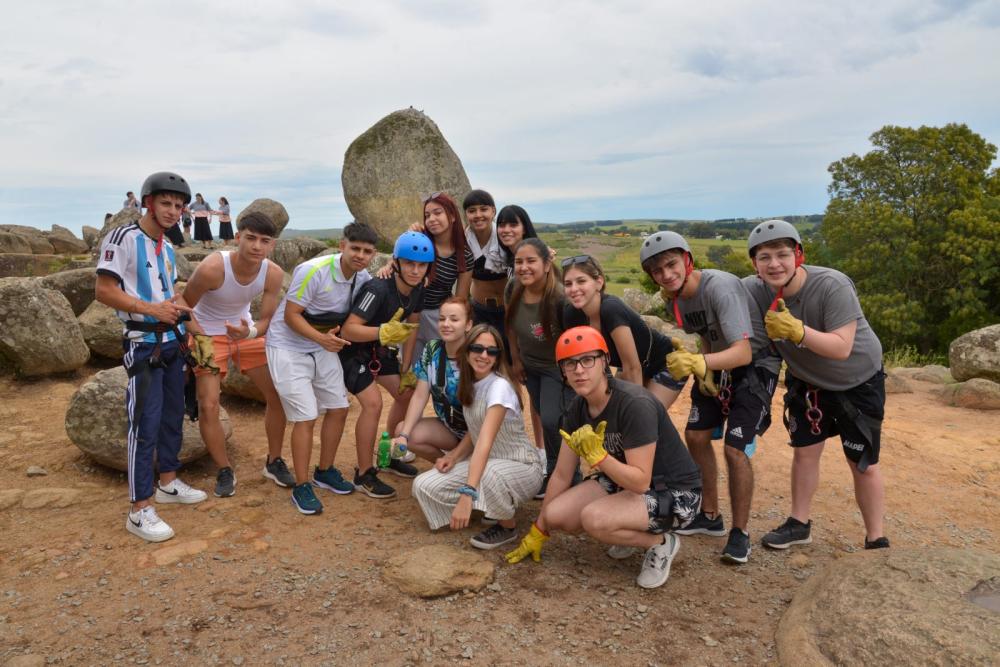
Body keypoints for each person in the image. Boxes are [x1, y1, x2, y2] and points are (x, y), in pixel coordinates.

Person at [505, 327, 702, 589]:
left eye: (588, 359)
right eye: (570, 363)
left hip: (675, 492)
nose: (579, 370)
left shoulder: (634, 404)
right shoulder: (578, 407)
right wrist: (539, 530)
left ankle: (661, 543)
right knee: (556, 514)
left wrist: (599, 458)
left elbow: (641, 482)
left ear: (604, 361)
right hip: (622, 482)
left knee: (594, 519)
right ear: (562, 371)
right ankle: (628, 529)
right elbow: (562, 474)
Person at [743, 220, 889, 551]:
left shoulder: (831, 285)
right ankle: (799, 523)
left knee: (862, 462)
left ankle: (876, 538)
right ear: (754, 263)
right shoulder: (756, 289)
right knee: (805, 453)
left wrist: (796, 331)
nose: (774, 264)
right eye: (764, 257)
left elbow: (841, 347)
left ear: (799, 255)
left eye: (782, 254)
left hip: (857, 380)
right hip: (808, 383)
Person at [640, 230, 780, 564]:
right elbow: (706, 334)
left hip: (756, 365)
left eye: (672, 265)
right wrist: (705, 370)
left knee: (735, 449)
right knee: (696, 435)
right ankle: (711, 515)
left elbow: (744, 352)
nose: (667, 275)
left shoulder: (719, 286)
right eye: (658, 271)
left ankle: (740, 533)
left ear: (687, 260)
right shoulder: (678, 299)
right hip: (716, 364)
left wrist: (700, 363)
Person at [96, 171, 205, 542]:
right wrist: (150, 309)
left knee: (174, 415)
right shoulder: (124, 238)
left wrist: (196, 331)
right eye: (166, 203)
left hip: (173, 341)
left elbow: (171, 294)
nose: (173, 211)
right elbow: (104, 290)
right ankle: (139, 508)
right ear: (148, 202)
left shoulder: (167, 247)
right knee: (144, 423)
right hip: (142, 342)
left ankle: (168, 483)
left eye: (178, 205)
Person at [264, 222, 379, 514]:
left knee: (339, 408)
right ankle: (302, 485)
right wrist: (322, 340)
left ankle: (324, 470)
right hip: (288, 345)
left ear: (373, 255)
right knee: (306, 416)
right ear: (342, 246)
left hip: (323, 343)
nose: (360, 255)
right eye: (355, 248)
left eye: (367, 251)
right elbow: (291, 315)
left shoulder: (363, 277)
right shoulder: (313, 271)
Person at [177, 211, 288, 497]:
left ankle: (274, 462)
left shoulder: (272, 273)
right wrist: (200, 340)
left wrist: (248, 333)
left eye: (264, 241)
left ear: (272, 245)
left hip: (244, 332)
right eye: (250, 238)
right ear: (237, 237)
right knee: (209, 404)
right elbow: (183, 307)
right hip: (206, 333)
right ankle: (224, 469)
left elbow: (266, 320)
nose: (256, 247)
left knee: (278, 396)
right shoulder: (213, 267)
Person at [411, 324, 543, 549]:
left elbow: (485, 441)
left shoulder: (499, 386)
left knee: (489, 473)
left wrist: (467, 492)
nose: (484, 355)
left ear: (498, 356)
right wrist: (453, 456)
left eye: (492, 351)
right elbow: (475, 432)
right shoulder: (469, 383)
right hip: (489, 464)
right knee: (423, 484)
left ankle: (507, 526)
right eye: (478, 348)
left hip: (520, 465)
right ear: (467, 349)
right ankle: (487, 502)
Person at [340, 231, 431, 498]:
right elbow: (348, 330)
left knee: (407, 393)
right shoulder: (377, 288)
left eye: (422, 265)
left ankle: (391, 454)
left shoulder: (418, 289)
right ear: (397, 263)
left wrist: (406, 367)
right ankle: (363, 473)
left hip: (381, 353)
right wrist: (382, 332)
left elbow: (412, 326)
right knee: (373, 403)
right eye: (410, 263)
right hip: (353, 353)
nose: (415, 270)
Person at [561, 254, 686, 412]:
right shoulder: (572, 314)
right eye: (568, 283)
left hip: (666, 362)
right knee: (615, 416)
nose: (573, 289)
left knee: (647, 415)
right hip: (631, 363)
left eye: (581, 281)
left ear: (599, 282)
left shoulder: (611, 309)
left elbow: (632, 368)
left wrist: (635, 412)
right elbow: (592, 362)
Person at [505, 238, 576, 496]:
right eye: (519, 262)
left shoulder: (559, 298)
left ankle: (567, 476)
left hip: (556, 370)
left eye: (531, 261)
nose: (524, 267)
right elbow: (510, 324)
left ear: (547, 264)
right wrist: (515, 358)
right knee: (546, 419)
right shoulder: (513, 287)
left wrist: (571, 374)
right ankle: (556, 472)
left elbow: (574, 340)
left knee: (552, 419)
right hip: (530, 365)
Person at [391, 297, 472, 462]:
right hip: (452, 429)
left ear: (468, 325)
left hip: (478, 432)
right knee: (403, 430)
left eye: (454, 319)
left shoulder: (477, 354)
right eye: (442, 319)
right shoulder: (432, 348)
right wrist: (404, 436)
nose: (446, 324)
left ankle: (461, 461)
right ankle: (449, 467)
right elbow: (420, 396)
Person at [464, 189, 507, 330]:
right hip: (478, 310)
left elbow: (528, 250)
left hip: (508, 309)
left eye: (484, 209)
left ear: (493, 211)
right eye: (472, 211)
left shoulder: (506, 238)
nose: (478, 215)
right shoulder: (462, 241)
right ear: (466, 214)